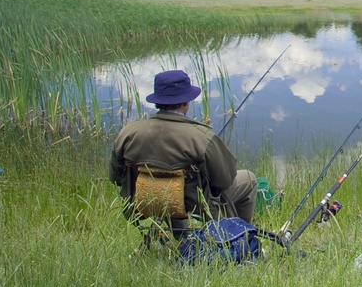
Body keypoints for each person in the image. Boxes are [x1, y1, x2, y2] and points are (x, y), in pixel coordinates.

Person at [109, 69, 257, 224]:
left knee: (172, 194)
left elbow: (116, 178)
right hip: (195, 206)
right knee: (249, 179)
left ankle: (180, 236)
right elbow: (225, 180)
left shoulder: (127, 133)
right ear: (186, 103)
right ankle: (241, 233)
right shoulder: (202, 137)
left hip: (144, 202)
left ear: (157, 100)